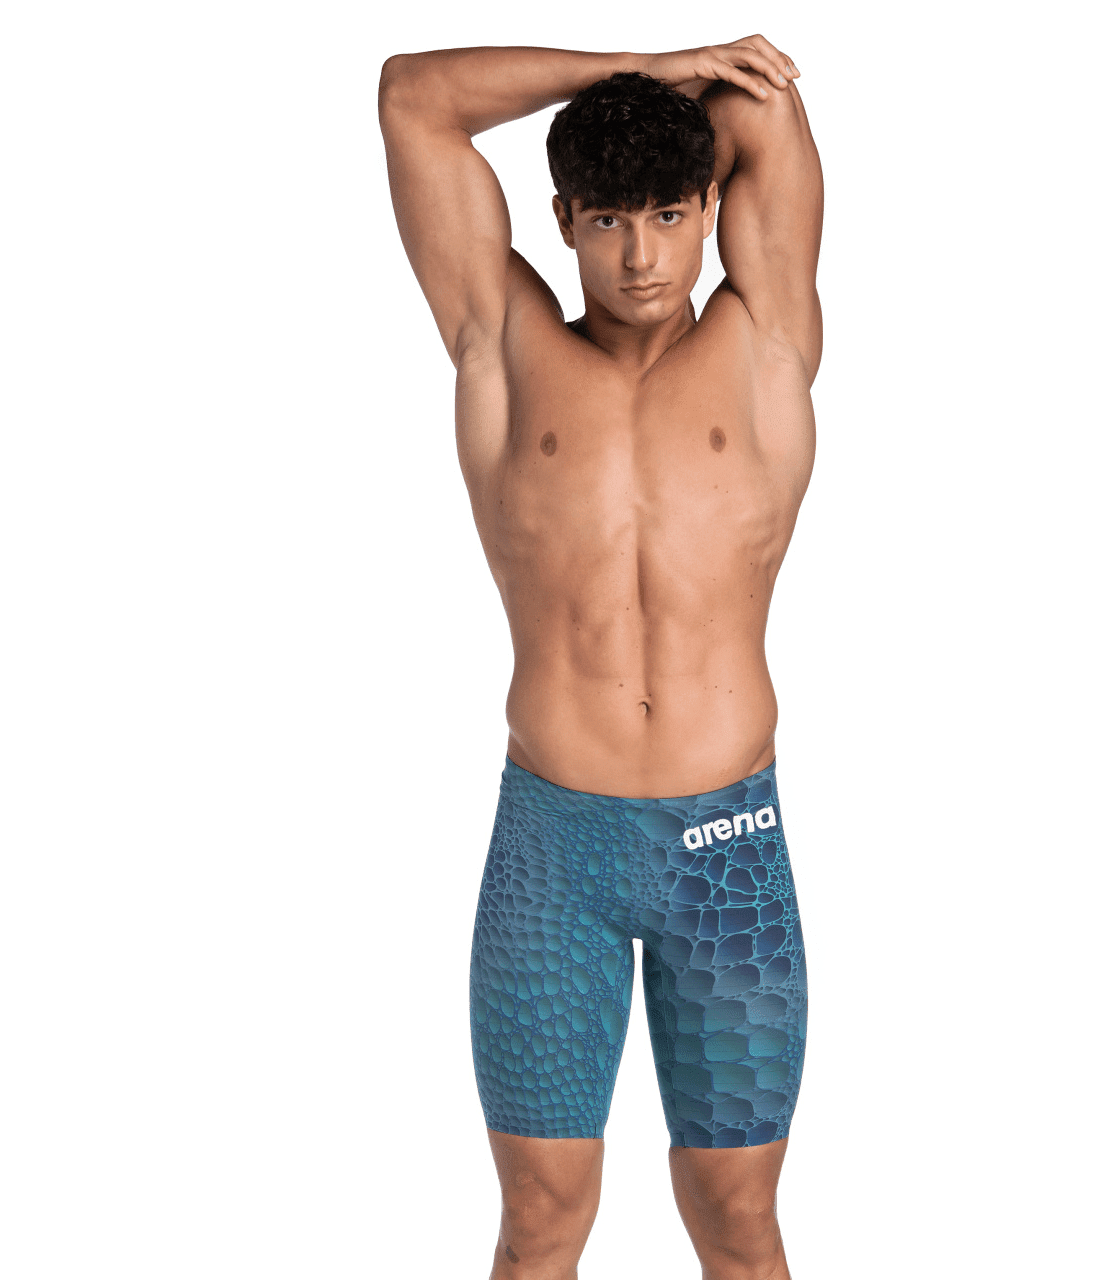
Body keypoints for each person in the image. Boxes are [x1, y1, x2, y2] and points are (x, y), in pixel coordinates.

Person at [379, 36, 822, 1279]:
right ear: (564, 219)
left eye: (670, 215)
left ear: (709, 211)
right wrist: (640, 63)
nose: (641, 257)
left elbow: (766, 106)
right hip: (553, 848)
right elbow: (413, 98)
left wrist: (666, 101)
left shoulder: (765, 339)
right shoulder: (503, 347)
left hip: (723, 851)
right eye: (610, 219)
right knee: (538, 1218)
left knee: (736, 1217)